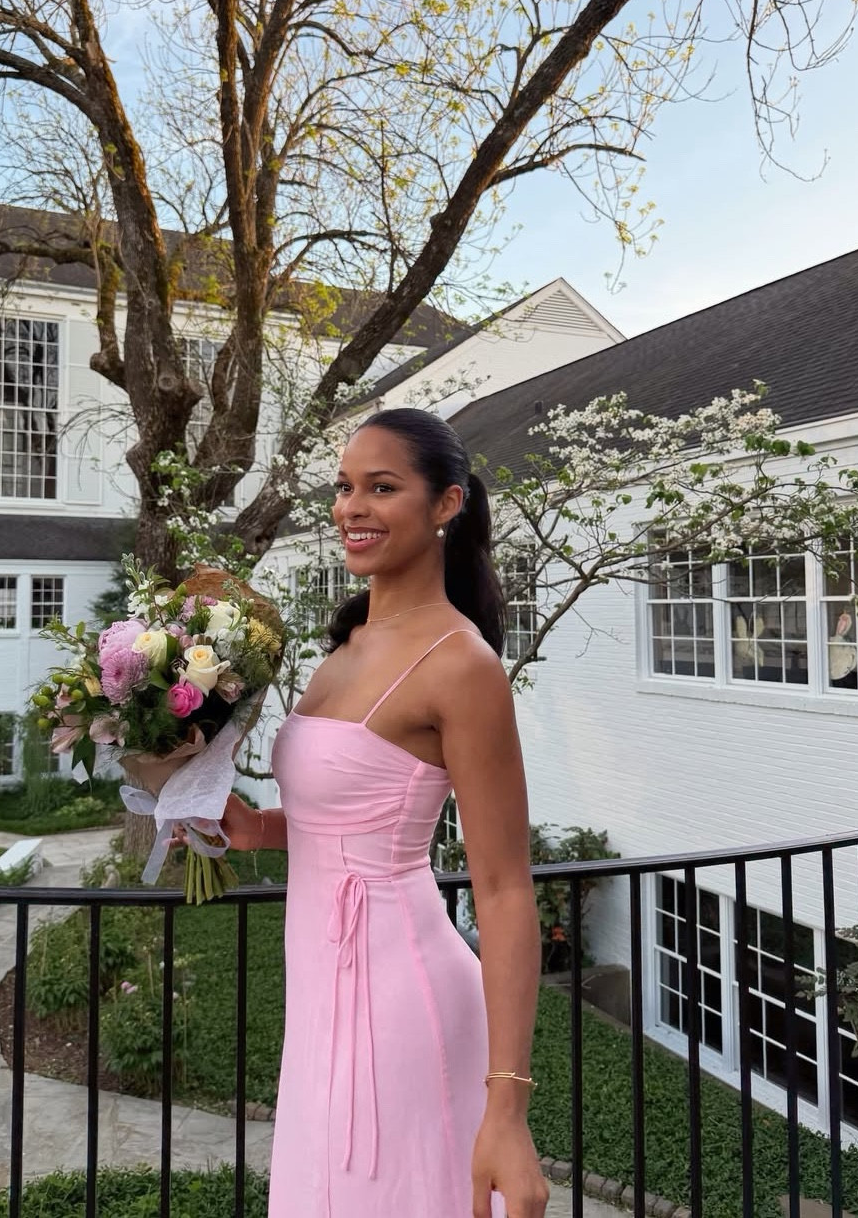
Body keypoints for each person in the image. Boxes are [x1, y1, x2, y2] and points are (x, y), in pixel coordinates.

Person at [220, 408, 549, 1218]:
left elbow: (505, 889)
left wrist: (506, 1109)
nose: (351, 507)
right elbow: (347, 819)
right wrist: (249, 826)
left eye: (381, 487)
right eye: (343, 488)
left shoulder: (462, 665)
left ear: (445, 505)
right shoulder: (344, 650)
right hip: (319, 993)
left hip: (403, 1003)